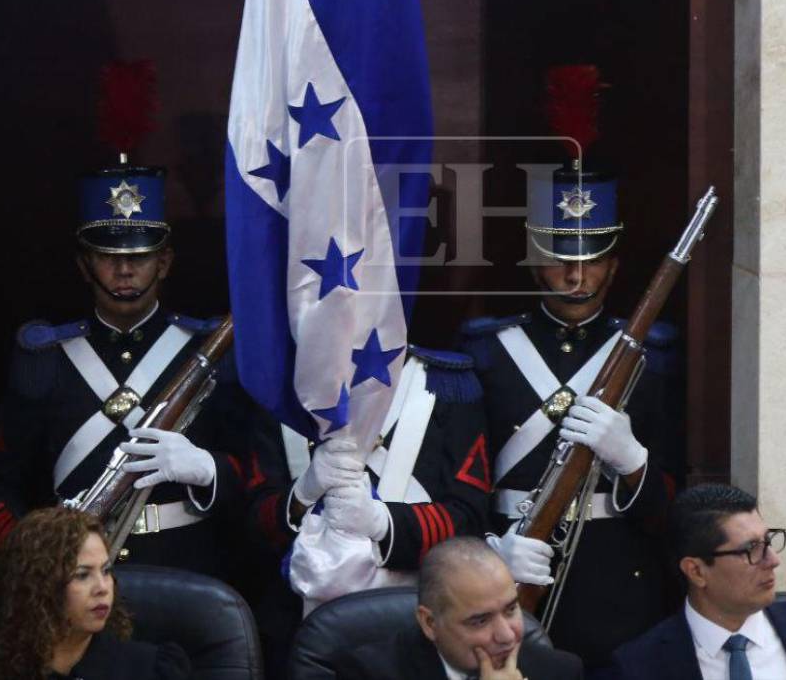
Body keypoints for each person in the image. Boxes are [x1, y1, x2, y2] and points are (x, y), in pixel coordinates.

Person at [0, 162, 275, 582]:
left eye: (140, 255)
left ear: (165, 261)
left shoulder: (211, 353)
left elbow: (258, 478)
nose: (125, 270)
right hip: (72, 579)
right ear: (84, 265)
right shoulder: (45, 358)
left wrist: (208, 469)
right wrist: (30, 558)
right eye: (108, 256)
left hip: (187, 574)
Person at [457, 164, 684, 671]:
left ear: (616, 264)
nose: (577, 277)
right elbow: (460, 484)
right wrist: (493, 550)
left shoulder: (655, 356)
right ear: (535, 261)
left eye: (594, 258)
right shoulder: (486, 351)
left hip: (619, 579)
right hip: (509, 563)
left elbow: (676, 506)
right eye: (560, 259)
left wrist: (633, 462)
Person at [255, 348, 494, 609]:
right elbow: (250, 522)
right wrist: (299, 496)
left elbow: (469, 520)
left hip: (409, 610)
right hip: (293, 610)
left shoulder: (448, 386)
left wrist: (384, 523)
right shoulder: (277, 387)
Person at [609, 484, 786, 680]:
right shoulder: (640, 666)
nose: (773, 560)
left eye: (769, 541)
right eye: (751, 549)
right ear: (696, 571)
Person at [0, 506, 190, 680]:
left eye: (106, 571)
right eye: (82, 575)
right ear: (39, 585)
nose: (103, 587)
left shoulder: (148, 669)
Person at [334, 535, 583, 680]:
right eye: (480, 621)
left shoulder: (559, 671)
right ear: (430, 624)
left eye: (510, 610)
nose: (507, 635)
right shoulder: (366, 673)